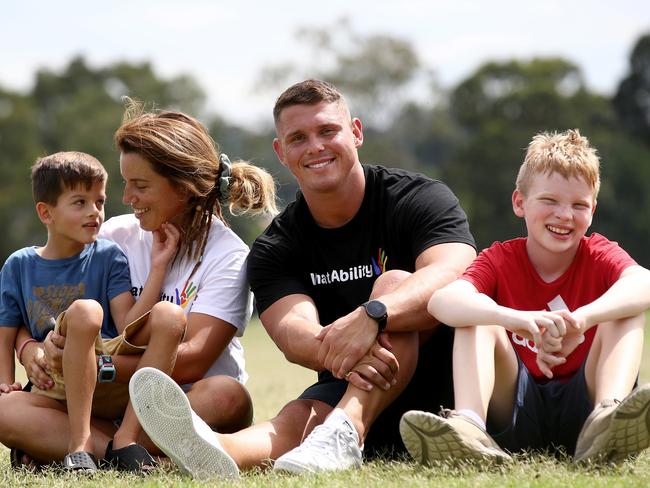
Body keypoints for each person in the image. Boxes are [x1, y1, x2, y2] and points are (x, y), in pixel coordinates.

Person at [126, 78, 477, 480]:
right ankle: (211, 449)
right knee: (296, 417)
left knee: (394, 282)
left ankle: (349, 428)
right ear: (281, 152)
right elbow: (294, 333)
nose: (315, 147)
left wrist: (374, 314)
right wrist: (347, 346)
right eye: (298, 138)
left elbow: (455, 268)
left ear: (356, 133)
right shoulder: (276, 245)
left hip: (454, 390)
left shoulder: (417, 198)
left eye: (328, 131)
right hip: (348, 385)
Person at [2, 101, 277, 468]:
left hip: (185, 396)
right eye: (126, 183)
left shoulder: (228, 255)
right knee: (4, 409)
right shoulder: (114, 234)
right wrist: (34, 349)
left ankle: (72, 445)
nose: (126, 198)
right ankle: (128, 454)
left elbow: (193, 360)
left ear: (182, 186)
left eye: (140, 186)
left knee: (229, 397)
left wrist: (93, 365)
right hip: (101, 398)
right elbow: (40, 299)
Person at [400, 129, 650, 465]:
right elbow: (441, 302)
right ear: (520, 202)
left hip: (585, 406)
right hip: (516, 406)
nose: (565, 215)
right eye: (549, 201)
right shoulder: (500, 259)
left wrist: (583, 318)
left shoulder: (600, 254)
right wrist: (514, 319)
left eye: (579, 205)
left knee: (626, 309)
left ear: (592, 210)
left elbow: (644, 283)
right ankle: (470, 429)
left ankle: (609, 419)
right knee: (476, 316)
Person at [0, 151, 186, 472]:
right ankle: (89, 448)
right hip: (54, 380)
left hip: (103, 368)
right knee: (4, 410)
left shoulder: (108, 255)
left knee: (171, 316)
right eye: (80, 203)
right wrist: (6, 382)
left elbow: (128, 324)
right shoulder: (19, 265)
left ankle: (121, 440)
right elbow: (6, 331)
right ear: (46, 213)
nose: (95, 213)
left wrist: (158, 268)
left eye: (99, 202)